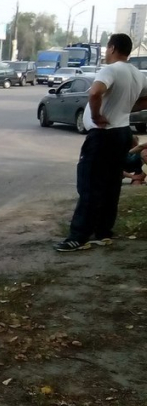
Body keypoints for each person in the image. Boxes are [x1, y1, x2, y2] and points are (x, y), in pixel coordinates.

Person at [56, 33, 147, 252]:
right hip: (121, 133)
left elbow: (95, 92)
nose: (106, 53)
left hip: (103, 135)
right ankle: (103, 232)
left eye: (107, 49)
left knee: (89, 184)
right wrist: (127, 108)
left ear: (113, 48)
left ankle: (78, 237)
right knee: (111, 184)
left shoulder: (111, 69)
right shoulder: (137, 74)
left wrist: (96, 115)